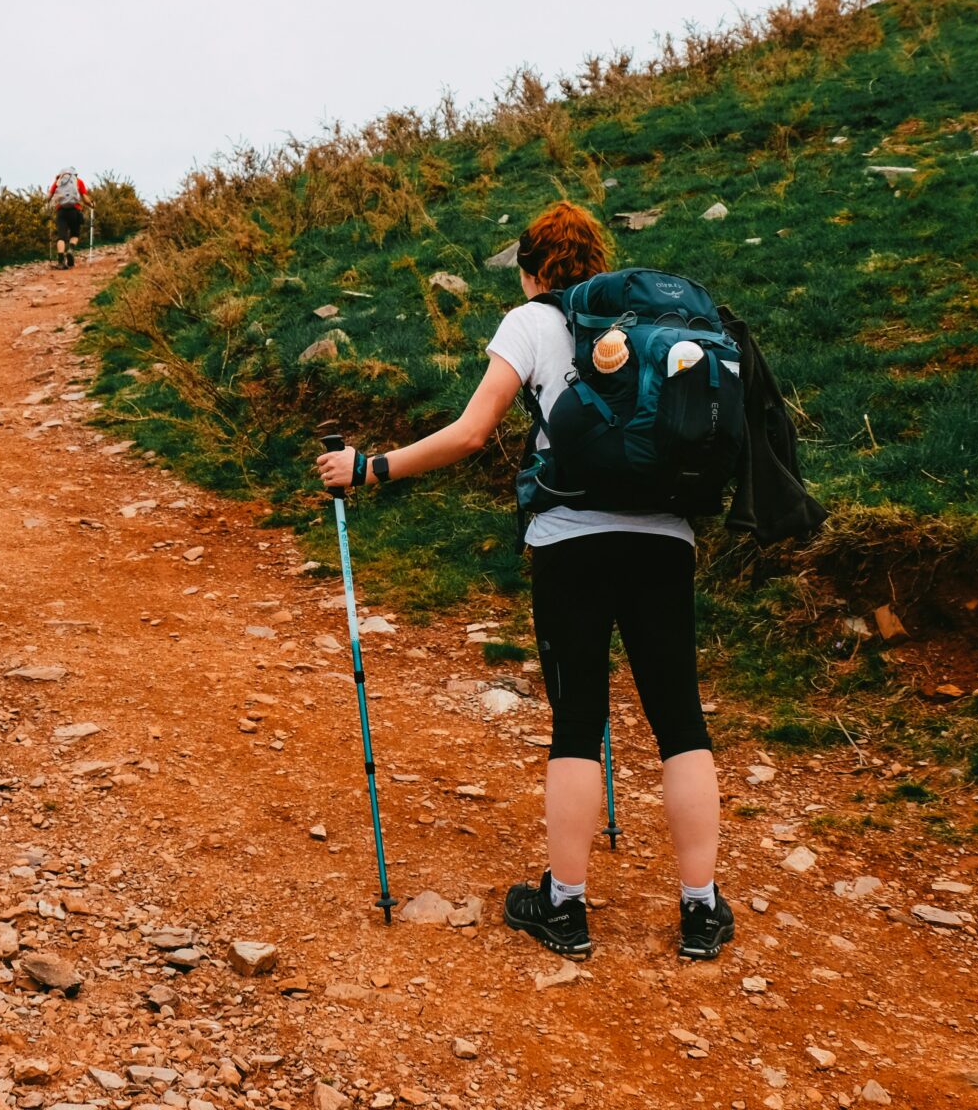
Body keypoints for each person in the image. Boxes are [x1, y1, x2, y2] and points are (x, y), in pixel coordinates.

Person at [311, 200, 730, 961]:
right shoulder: (646, 327)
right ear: (600, 266)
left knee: (577, 722)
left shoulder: (532, 322)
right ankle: (700, 912)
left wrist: (371, 467)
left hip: (570, 543)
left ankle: (564, 909)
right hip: (665, 538)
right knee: (680, 721)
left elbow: (473, 432)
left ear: (532, 269)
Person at [48, 168, 90, 269]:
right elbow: (85, 198)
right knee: (75, 234)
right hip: (74, 211)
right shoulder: (78, 182)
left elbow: (49, 197)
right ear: (75, 174)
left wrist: (49, 203)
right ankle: (70, 250)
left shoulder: (58, 181)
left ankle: (60, 262)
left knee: (61, 237)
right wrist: (91, 204)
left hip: (61, 211)